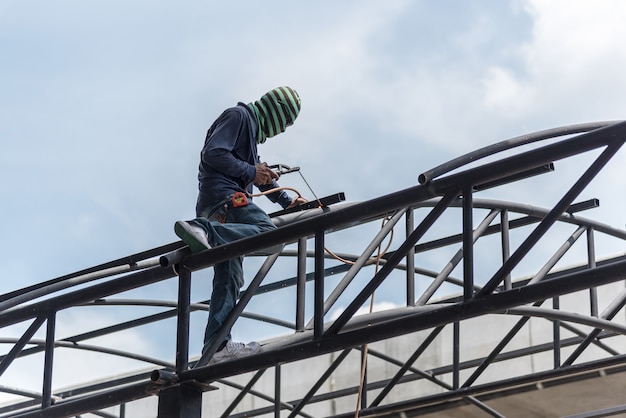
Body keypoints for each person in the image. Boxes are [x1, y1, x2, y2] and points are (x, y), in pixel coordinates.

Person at [174, 86, 306, 364]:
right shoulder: (239, 117)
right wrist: (249, 171)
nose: (279, 132)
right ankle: (206, 231)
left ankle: (217, 346)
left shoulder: (249, 136)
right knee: (269, 235)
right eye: (284, 124)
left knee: (229, 278)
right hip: (225, 202)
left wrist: (286, 201)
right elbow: (213, 154)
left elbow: (261, 175)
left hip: (219, 210)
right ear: (276, 111)